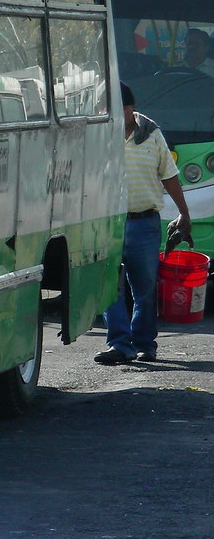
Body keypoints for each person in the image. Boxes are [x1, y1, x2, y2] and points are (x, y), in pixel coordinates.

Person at [95, 82, 191, 365]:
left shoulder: (151, 135)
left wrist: (184, 214)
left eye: (118, 109)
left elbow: (169, 177)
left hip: (144, 223)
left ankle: (144, 344)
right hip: (107, 225)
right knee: (109, 287)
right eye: (106, 109)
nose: (111, 115)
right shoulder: (97, 135)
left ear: (130, 108)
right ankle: (119, 344)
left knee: (145, 288)